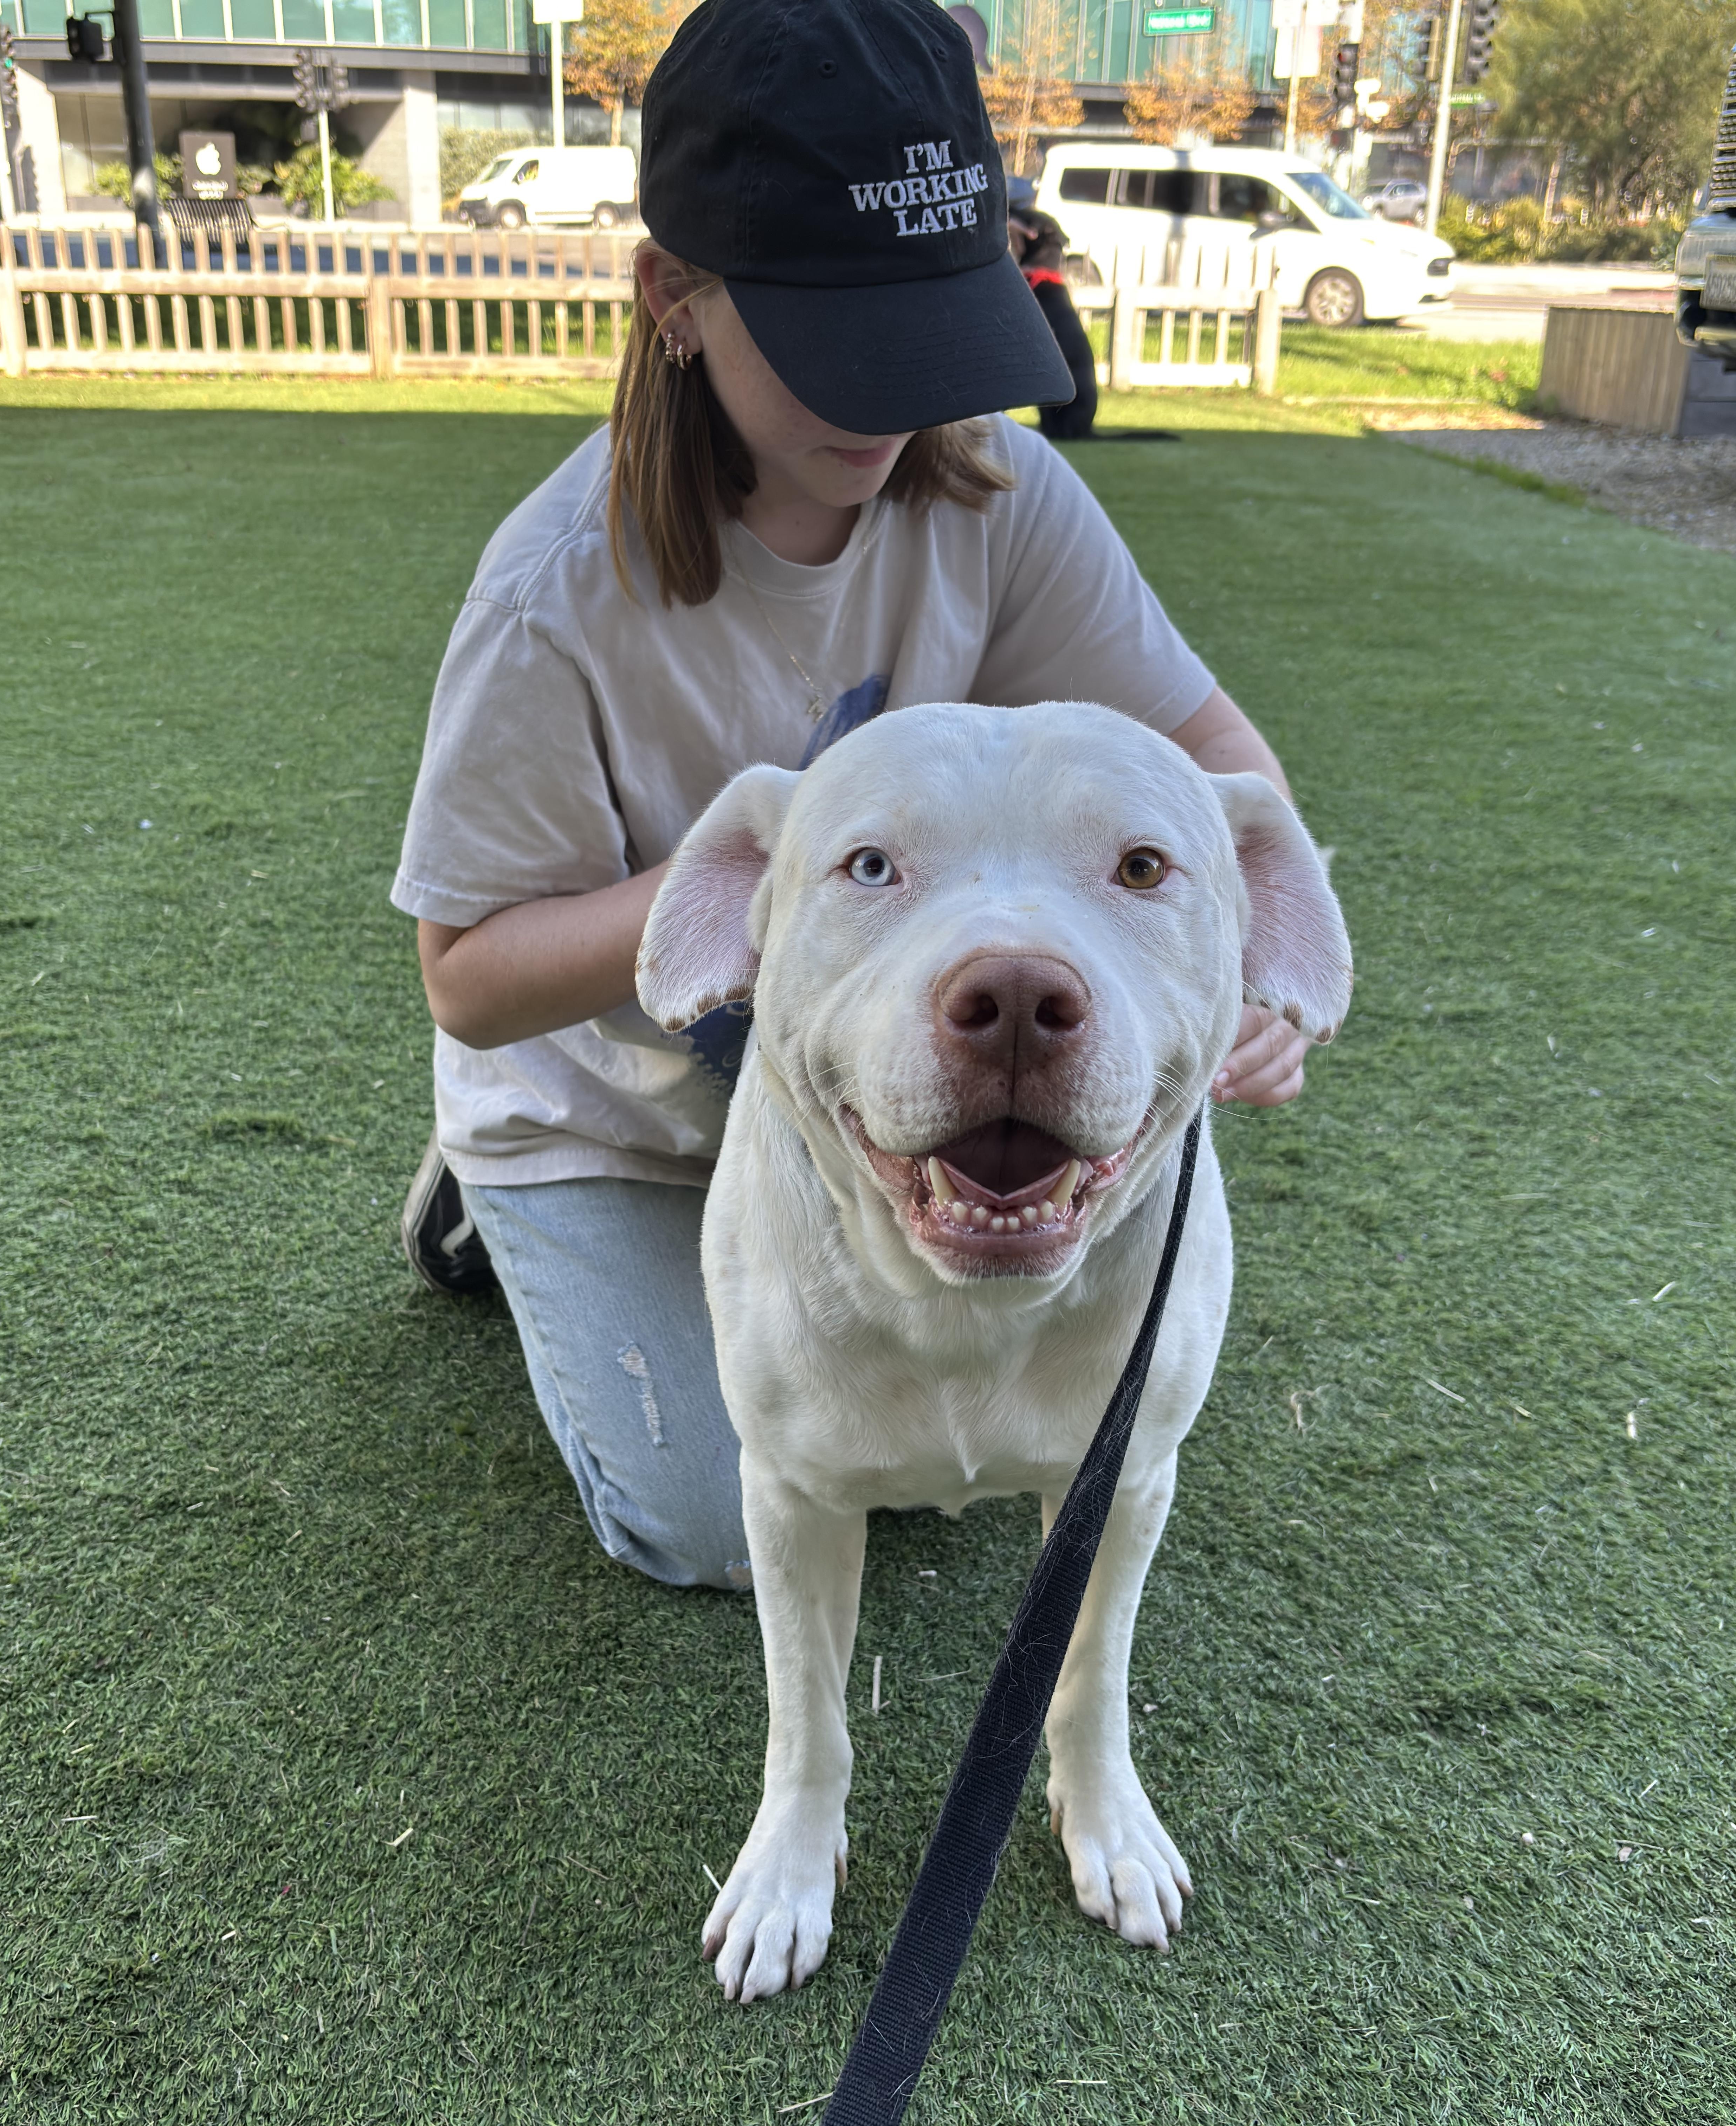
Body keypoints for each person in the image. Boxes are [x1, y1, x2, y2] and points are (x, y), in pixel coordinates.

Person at [392, 0, 1316, 1593]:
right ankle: (486, 1193)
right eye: (839, 339)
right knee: (715, 1520)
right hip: (618, 1108)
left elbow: (1220, 765)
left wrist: (1233, 962)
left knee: (1022, 1399)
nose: (891, 403)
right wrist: (786, 872)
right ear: (672, 298)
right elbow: (468, 975)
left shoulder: (997, 493)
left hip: (893, 1071)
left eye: (930, 327)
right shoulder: (553, 597)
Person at [1007, 178, 1099, 442]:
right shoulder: (1049, 291)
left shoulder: (1040, 292)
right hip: (1069, 416)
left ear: (1032, 236)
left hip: (1070, 419)